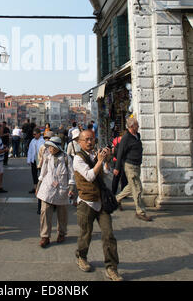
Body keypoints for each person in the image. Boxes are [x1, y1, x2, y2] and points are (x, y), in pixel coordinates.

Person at [73, 129, 123, 282]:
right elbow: (89, 176)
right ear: (80, 142)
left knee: (108, 235)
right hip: (86, 202)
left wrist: (106, 161)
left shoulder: (96, 155)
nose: (89, 142)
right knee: (85, 234)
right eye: (86, 139)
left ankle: (111, 267)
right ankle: (81, 256)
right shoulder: (78, 159)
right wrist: (100, 161)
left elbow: (105, 174)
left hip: (101, 201)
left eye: (92, 139)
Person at [36, 136, 75, 248]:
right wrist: (38, 186)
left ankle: (62, 233)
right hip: (47, 188)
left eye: (52, 147)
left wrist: (71, 188)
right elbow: (43, 173)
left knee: (62, 214)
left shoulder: (67, 158)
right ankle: (45, 236)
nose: (50, 149)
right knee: (45, 212)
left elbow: (72, 175)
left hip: (62, 189)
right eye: (49, 147)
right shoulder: (47, 157)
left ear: (57, 147)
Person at [114, 117, 153, 222]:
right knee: (138, 188)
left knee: (132, 186)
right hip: (130, 165)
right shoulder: (126, 138)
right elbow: (120, 152)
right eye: (136, 125)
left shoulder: (137, 136)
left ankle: (116, 199)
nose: (138, 126)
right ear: (131, 126)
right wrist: (117, 168)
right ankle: (140, 212)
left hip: (137, 165)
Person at [36, 130, 54, 214]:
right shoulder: (42, 147)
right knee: (41, 187)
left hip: (52, 169)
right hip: (43, 169)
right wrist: (40, 166)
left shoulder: (54, 147)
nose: (47, 139)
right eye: (46, 138)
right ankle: (40, 207)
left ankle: (52, 204)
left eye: (49, 138)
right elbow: (39, 157)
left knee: (53, 186)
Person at [27, 127, 44, 194]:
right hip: (34, 159)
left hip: (40, 160)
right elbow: (30, 150)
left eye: (35, 134)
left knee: (41, 174)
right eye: (33, 134)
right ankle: (35, 187)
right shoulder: (32, 141)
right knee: (34, 174)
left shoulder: (43, 141)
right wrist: (29, 160)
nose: (34, 136)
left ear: (39, 134)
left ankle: (41, 187)